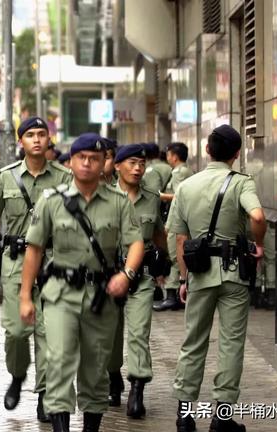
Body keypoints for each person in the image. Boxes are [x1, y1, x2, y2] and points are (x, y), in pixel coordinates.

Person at [19, 133, 144, 432]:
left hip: (101, 296)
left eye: (94, 159)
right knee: (59, 361)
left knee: (95, 368)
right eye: (81, 158)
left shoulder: (119, 203)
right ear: (71, 162)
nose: (87, 163)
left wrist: (125, 275)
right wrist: (25, 296)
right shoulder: (51, 202)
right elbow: (34, 249)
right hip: (60, 293)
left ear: (104, 164)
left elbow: (136, 242)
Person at [169, 125, 266, 432]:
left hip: (198, 274)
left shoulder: (186, 186)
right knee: (231, 345)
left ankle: (185, 417)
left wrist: (183, 279)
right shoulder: (241, 183)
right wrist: (259, 243)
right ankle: (221, 420)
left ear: (207, 150)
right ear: (237, 154)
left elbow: (179, 238)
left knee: (193, 343)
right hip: (234, 275)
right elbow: (258, 217)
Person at [0, 116, 71, 422]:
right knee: (17, 332)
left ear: (49, 140)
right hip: (15, 261)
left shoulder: (64, 177)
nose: (35, 139)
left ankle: (45, 394)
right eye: (29, 135)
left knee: (49, 332)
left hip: (53, 260)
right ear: (21, 142)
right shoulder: (5, 177)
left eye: (41, 134)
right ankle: (18, 375)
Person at [106, 144, 167, 418]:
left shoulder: (152, 197)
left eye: (142, 163)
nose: (138, 168)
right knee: (109, 333)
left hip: (141, 278)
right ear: (117, 166)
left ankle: (137, 388)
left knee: (139, 333)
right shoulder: (102, 196)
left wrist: (165, 265)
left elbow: (158, 234)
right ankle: (112, 377)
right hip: (108, 277)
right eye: (132, 163)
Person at [155, 142, 194, 312]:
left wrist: (161, 196)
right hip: (176, 216)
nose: (167, 157)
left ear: (175, 156)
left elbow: (179, 196)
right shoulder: (182, 171)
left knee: (174, 254)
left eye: (169, 154)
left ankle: (173, 295)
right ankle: (174, 294)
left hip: (177, 217)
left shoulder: (180, 172)